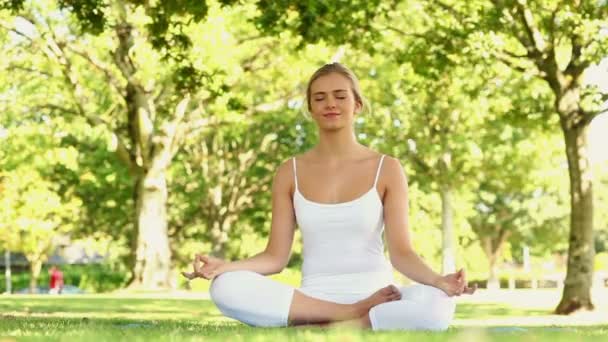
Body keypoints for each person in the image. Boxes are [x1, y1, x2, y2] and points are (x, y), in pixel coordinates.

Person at [182, 62, 476, 330]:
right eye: (319, 98)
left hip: (378, 295)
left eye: (340, 96)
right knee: (225, 287)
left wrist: (440, 281)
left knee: (437, 305)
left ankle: (328, 324)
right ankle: (349, 315)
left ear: (357, 105)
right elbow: (274, 257)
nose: (330, 104)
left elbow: (402, 254)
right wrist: (224, 267)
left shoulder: (387, 168)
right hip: (313, 297)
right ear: (310, 108)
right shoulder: (289, 172)